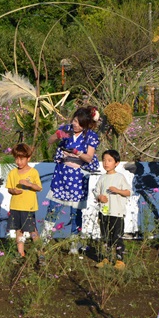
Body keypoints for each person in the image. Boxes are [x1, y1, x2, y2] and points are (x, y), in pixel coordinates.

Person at [44, 106, 100, 254]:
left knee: (76, 212)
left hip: (78, 176)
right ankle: (44, 240)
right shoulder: (67, 129)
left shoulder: (91, 136)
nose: (75, 124)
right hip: (62, 174)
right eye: (75, 120)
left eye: (79, 123)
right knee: (53, 207)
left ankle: (74, 244)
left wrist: (76, 152)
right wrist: (57, 135)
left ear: (86, 125)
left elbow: (88, 157)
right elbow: (49, 141)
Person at [93, 150, 131, 270]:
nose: (106, 163)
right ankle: (106, 258)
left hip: (117, 212)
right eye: (104, 160)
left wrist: (118, 191)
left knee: (117, 237)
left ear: (116, 163)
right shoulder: (102, 178)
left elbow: (128, 192)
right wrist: (99, 197)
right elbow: (96, 191)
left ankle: (119, 260)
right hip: (104, 212)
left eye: (109, 160)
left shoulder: (120, 177)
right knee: (105, 236)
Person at [6, 143, 42, 259]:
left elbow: (39, 188)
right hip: (16, 206)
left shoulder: (33, 172)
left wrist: (29, 184)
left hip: (28, 207)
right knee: (19, 230)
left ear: (28, 158)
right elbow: (9, 189)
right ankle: (20, 253)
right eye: (16, 158)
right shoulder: (12, 173)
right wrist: (13, 191)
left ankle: (40, 254)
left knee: (32, 231)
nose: (18, 161)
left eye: (21, 159)